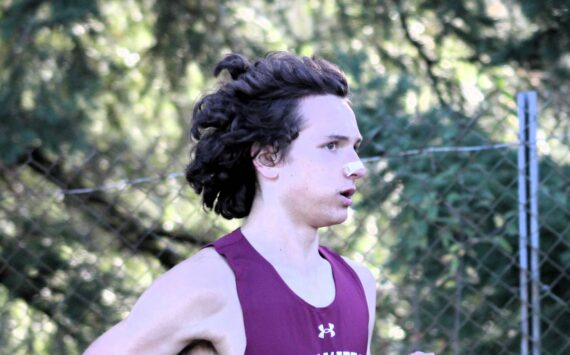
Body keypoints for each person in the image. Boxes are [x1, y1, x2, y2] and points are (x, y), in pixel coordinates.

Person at [85, 51, 377, 355]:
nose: (357, 167)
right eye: (331, 146)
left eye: (354, 148)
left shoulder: (360, 285)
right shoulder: (208, 284)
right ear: (267, 157)